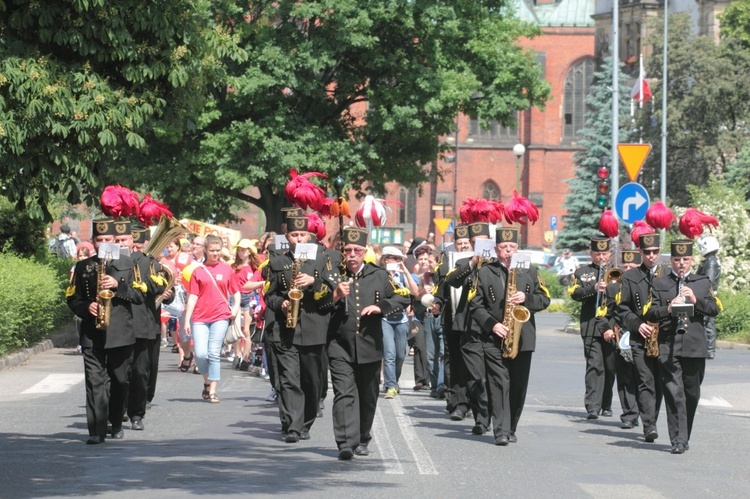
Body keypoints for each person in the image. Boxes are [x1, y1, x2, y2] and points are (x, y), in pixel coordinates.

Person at [328, 227, 410, 460]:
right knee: (343, 393)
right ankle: (345, 442)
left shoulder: (379, 275)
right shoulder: (334, 274)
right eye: (347, 250)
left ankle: (363, 437)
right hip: (339, 344)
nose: (352, 254)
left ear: (365, 252)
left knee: (368, 394)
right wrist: (335, 295)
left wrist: (380, 307)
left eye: (357, 250)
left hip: (370, 344)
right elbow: (319, 303)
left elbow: (403, 296)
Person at [467, 226, 550, 445]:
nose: (508, 251)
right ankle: (501, 431)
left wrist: (527, 298)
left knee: (518, 385)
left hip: (522, 337)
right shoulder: (485, 272)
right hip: (494, 337)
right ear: (496, 249)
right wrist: (492, 325)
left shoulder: (529, 271)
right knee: (498, 383)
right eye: (504, 247)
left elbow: (545, 299)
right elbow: (475, 306)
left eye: (512, 247)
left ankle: (511, 426)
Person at [66, 218, 144, 444]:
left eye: (108, 240)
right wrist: (84, 307)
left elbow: (140, 296)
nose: (103, 244)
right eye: (99, 240)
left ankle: (116, 422)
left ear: (115, 241)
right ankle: (96, 430)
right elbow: (72, 297)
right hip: (92, 333)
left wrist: (118, 286)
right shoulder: (83, 267)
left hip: (121, 332)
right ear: (93, 241)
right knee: (94, 382)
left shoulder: (129, 263)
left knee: (120, 381)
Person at [644, 239, 720, 454]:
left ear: (691, 261)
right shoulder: (660, 284)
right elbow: (649, 312)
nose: (681, 263)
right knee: (673, 392)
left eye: (685, 259)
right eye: (677, 260)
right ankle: (678, 439)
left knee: (691, 394)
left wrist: (695, 299)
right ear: (672, 261)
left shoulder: (702, 282)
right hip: (669, 345)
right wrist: (668, 309)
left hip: (695, 345)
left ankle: (684, 434)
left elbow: (714, 309)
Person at [264, 214, 334, 443]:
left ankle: (306, 422)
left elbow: (332, 291)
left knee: (312, 382)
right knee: (289, 379)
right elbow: (270, 294)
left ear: (309, 235)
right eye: (294, 235)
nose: (299, 239)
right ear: (288, 236)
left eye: (303, 235)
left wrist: (314, 282)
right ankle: (293, 425)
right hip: (286, 329)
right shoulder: (278, 262)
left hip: (314, 327)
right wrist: (281, 303)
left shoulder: (322, 260)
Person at [120, 223, 170, 430]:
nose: (130, 246)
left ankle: (136, 413)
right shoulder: (114, 263)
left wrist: (163, 291)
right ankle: (120, 408)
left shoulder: (152, 265)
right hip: (121, 324)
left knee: (141, 372)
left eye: (130, 242)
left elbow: (165, 289)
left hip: (145, 324)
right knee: (122, 372)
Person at [616, 234, 664, 442]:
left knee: (660, 384)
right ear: (641, 253)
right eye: (647, 253)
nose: (651, 256)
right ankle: (649, 425)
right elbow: (622, 309)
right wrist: (637, 325)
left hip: (663, 339)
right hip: (639, 337)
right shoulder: (630, 277)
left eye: (655, 252)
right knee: (645, 381)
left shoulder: (667, 275)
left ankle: (651, 417)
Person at [184, 234, 241, 404]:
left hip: (220, 316)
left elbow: (236, 291)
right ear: (206, 250)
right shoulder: (198, 270)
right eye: (212, 251)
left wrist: (236, 307)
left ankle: (214, 390)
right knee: (201, 354)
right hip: (200, 316)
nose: (215, 254)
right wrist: (187, 320)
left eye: (218, 251)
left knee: (213, 353)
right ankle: (207, 382)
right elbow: (193, 296)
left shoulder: (227, 269)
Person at [568, 235, 616, 420]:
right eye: (597, 253)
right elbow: (575, 293)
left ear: (610, 253)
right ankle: (593, 406)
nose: (601, 257)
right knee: (594, 366)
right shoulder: (582, 272)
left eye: (604, 253)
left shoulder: (616, 272)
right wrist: (593, 289)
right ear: (591, 254)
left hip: (611, 326)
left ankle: (606, 403)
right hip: (590, 325)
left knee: (610, 366)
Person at [597, 249, 641, 431]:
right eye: (626, 266)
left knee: (643, 378)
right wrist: (606, 329)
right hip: (622, 336)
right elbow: (602, 314)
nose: (628, 269)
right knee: (624, 377)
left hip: (643, 336)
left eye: (633, 266)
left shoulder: (650, 285)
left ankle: (643, 412)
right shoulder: (613, 288)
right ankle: (629, 415)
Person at [379, 246, 418, 399]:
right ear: (385, 259)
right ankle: (390, 385)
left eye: (399, 259)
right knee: (389, 354)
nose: (396, 262)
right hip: (385, 319)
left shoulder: (402, 276)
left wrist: (405, 271)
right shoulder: (380, 275)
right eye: (393, 258)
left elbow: (414, 292)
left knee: (400, 355)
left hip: (401, 319)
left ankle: (394, 380)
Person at [696, 235, 721, 359]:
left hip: (709, 295)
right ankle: (709, 349)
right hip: (708, 294)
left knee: (708, 321)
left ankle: (710, 349)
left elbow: (708, 280)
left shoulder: (711, 262)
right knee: (707, 321)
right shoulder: (710, 260)